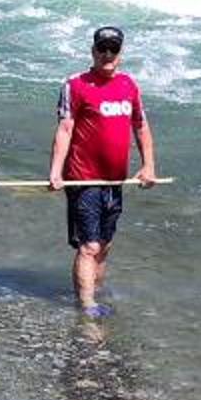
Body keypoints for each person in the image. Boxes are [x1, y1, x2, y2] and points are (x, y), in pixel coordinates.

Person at [47, 24, 156, 321]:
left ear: (120, 53)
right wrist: (55, 172)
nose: (108, 54)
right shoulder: (75, 85)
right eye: (102, 48)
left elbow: (141, 126)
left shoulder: (129, 85)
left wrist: (148, 165)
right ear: (93, 51)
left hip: (115, 180)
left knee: (105, 245)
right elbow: (65, 129)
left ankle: (94, 294)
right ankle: (87, 310)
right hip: (83, 179)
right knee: (89, 246)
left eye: (113, 49)